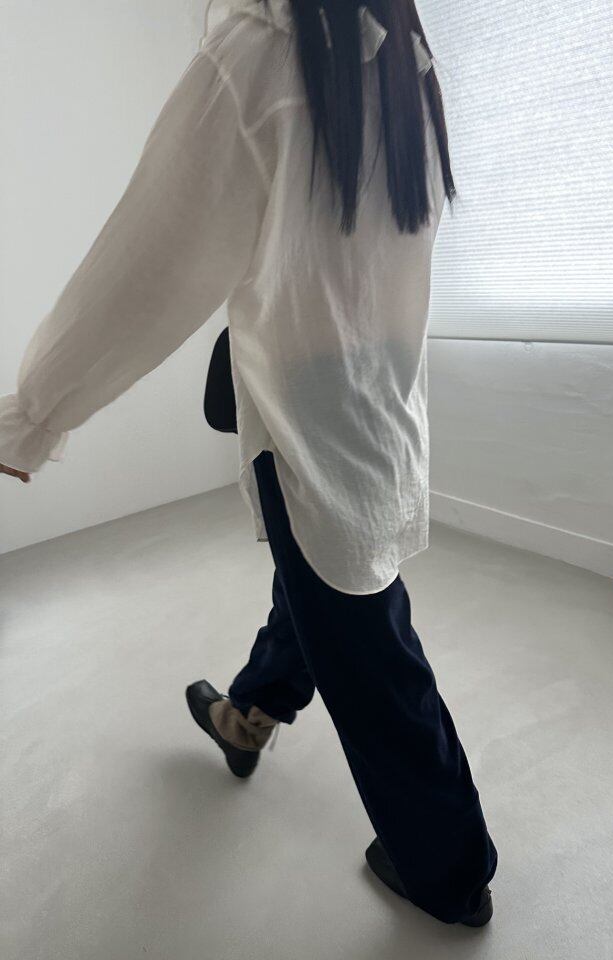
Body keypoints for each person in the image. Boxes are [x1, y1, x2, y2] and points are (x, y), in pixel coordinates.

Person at [0, 0, 497, 926]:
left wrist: (31, 417)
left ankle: (451, 872)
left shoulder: (260, 58)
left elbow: (143, 270)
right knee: (319, 581)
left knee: (370, 644)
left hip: (309, 415)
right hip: (385, 397)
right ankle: (248, 716)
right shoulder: (409, 71)